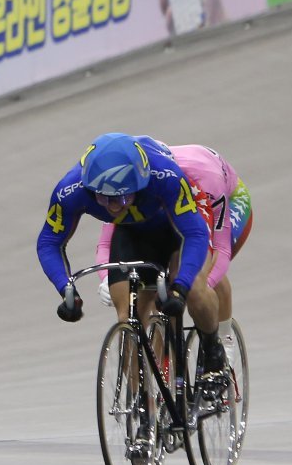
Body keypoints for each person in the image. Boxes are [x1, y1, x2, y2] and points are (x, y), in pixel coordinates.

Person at [36, 132, 227, 378]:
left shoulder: (164, 175)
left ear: (141, 181)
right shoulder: (71, 190)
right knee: (128, 319)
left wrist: (180, 287)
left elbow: (195, 235)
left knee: (196, 292)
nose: (114, 205)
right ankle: (141, 407)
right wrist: (66, 290)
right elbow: (49, 242)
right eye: (104, 198)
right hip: (133, 231)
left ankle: (213, 349)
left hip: (177, 227)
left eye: (123, 196)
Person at [93, 143, 252, 364]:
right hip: (176, 209)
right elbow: (106, 241)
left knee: (201, 273)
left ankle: (222, 343)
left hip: (222, 201)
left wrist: (191, 287)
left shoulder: (206, 180)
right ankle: (165, 370)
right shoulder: (139, 184)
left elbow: (221, 250)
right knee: (157, 288)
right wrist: (106, 279)